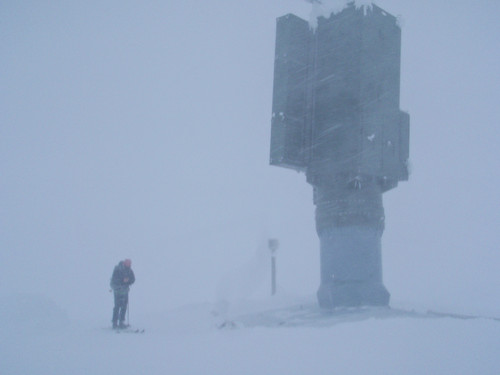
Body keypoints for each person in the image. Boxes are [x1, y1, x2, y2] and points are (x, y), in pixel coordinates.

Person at [110, 258, 135, 329]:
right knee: (117, 306)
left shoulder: (129, 270)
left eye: (130, 264)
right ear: (124, 263)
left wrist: (128, 281)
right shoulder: (118, 269)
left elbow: (133, 279)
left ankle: (121, 322)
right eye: (128, 263)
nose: (129, 265)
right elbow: (114, 279)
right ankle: (114, 323)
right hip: (117, 290)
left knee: (124, 306)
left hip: (125, 290)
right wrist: (123, 281)